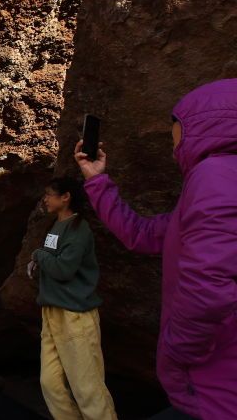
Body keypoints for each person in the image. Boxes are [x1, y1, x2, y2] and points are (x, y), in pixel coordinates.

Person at [75, 78, 237, 419]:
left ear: (205, 124)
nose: (173, 141)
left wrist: (177, 352)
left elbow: (208, 289)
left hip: (217, 382)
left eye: (176, 128)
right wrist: (97, 180)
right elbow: (144, 235)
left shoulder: (215, 176)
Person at [28, 177, 117, 420]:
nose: (45, 199)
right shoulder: (55, 226)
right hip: (52, 312)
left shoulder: (79, 228)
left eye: (49, 194)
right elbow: (52, 260)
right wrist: (39, 261)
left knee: (87, 388)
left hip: (75, 315)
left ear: (65, 197)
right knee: (51, 384)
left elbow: (64, 269)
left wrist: (38, 255)